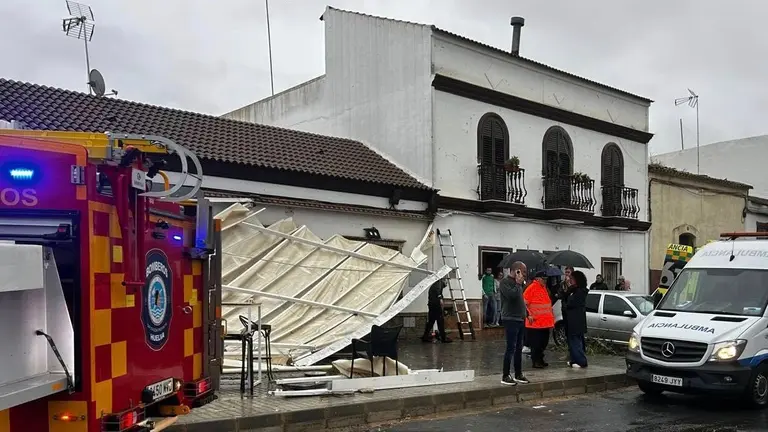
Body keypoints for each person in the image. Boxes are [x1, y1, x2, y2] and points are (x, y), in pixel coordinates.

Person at [499, 261, 530, 386]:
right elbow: (511, 296)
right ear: (516, 270)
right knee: (510, 347)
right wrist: (517, 284)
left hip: (520, 318)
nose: (524, 274)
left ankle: (518, 373)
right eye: (523, 271)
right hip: (510, 318)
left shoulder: (519, 284)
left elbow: (520, 300)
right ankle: (505, 375)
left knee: (519, 348)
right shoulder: (505, 283)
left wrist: (527, 313)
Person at [523, 271, 555, 368]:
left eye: (546, 279)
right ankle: (536, 361)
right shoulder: (531, 288)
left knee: (543, 343)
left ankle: (540, 359)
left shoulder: (544, 288)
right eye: (543, 279)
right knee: (536, 344)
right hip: (535, 323)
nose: (545, 281)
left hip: (545, 323)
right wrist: (528, 314)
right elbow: (523, 303)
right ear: (537, 279)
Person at [565, 270, 589, 368]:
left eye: (572, 279)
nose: (570, 281)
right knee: (574, 341)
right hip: (572, 319)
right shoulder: (574, 290)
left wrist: (569, 295)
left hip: (575, 320)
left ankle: (581, 361)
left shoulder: (580, 292)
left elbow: (571, 303)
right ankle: (574, 359)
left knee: (575, 341)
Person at [421, 278, 452, 343]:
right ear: (444, 280)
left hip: (432, 305)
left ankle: (425, 337)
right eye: (446, 282)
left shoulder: (437, 284)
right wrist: (440, 300)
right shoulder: (439, 283)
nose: (446, 284)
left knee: (431, 322)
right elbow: (438, 293)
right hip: (436, 306)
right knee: (440, 321)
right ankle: (443, 338)